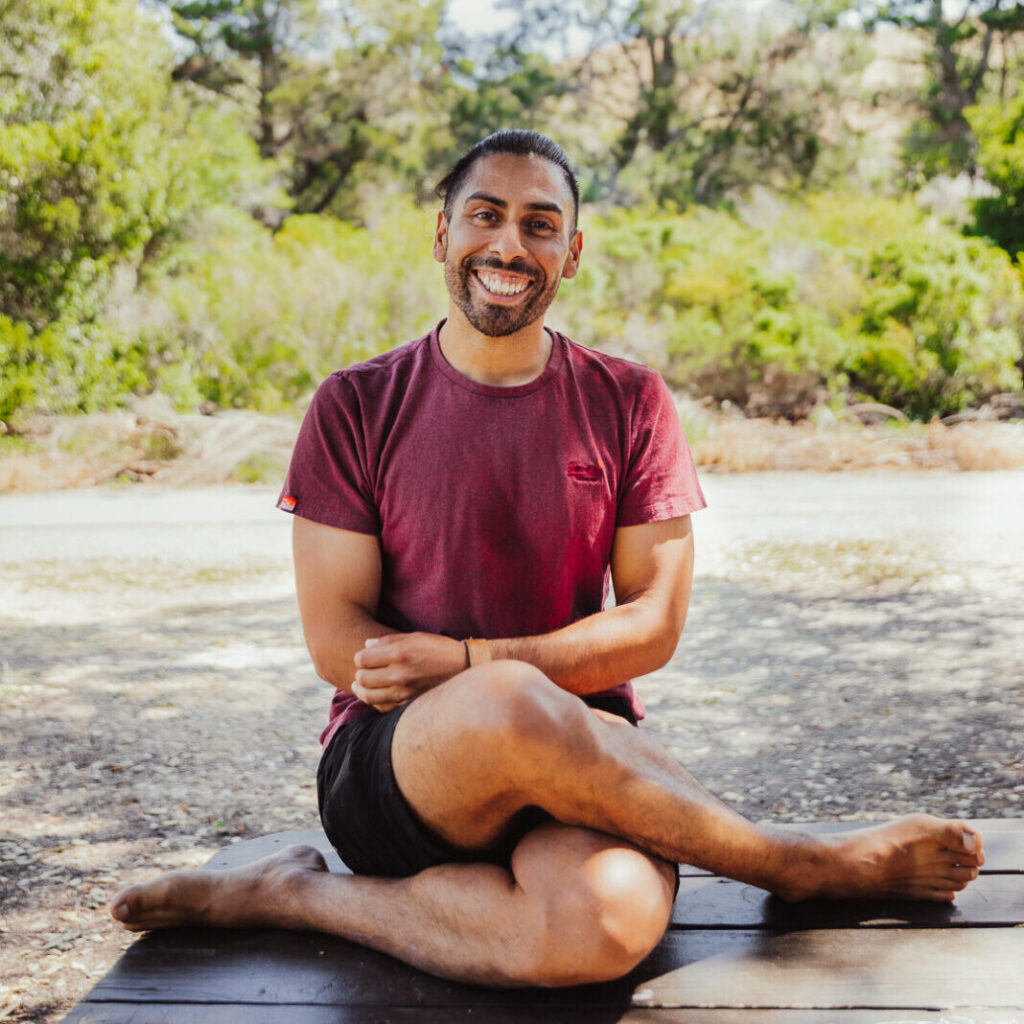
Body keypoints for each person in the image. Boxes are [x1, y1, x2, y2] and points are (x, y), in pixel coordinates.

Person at [110, 130, 984, 988]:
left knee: (598, 931)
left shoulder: (631, 401)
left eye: (538, 224)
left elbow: (653, 624)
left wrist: (474, 661)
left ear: (571, 252)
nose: (508, 243)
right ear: (441, 232)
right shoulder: (356, 402)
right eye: (484, 214)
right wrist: (468, 682)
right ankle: (795, 863)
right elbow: (336, 636)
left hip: (587, 763)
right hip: (400, 765)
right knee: (507, 703)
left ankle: (295, 896)